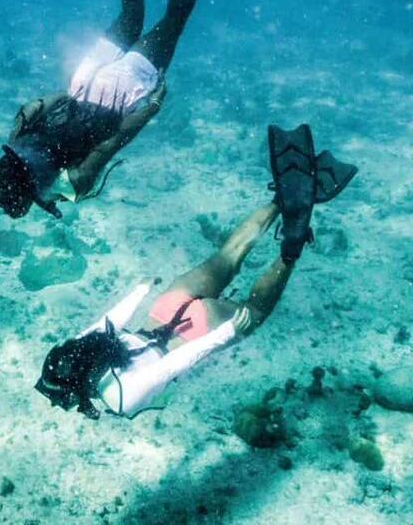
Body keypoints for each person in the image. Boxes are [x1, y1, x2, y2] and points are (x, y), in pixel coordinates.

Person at [34, 123, 357, 419]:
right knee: (229, 255)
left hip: (194, 332)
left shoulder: (120, 400)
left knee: (257, 309)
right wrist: (141, 292)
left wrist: (224, 335)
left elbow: (173, 364)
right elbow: (109, 322)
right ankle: (280, 198)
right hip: (164, 307)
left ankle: (291, 248)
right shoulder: (78, 347)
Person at [0, 0, 214, 219]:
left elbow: (112, 142)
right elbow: (35, 106)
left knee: (173, 21)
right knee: (132, 10)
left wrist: (151, 109)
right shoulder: (16, 139)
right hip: (84, 81)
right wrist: (69, 97)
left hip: (116, 95)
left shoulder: (70, 185)